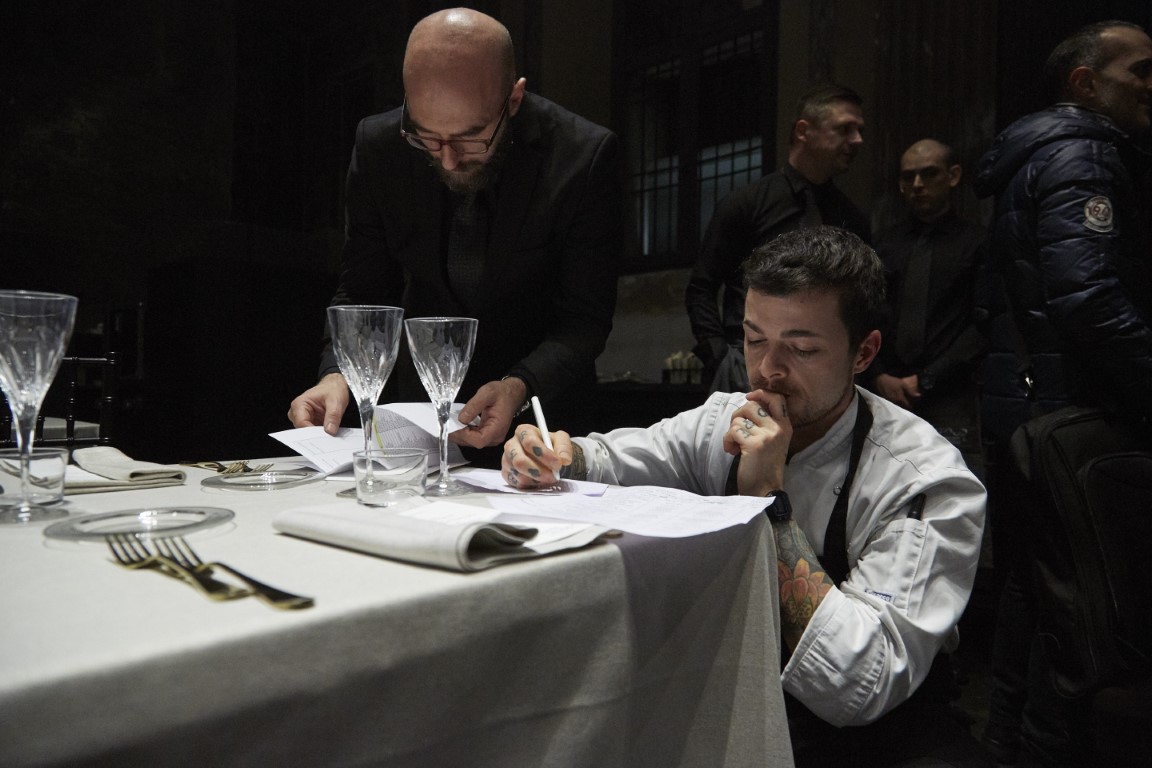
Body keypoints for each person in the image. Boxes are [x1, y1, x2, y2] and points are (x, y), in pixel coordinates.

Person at [506, 226, 989, 767]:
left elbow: (860, 683)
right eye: (755, 339)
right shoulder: (724, 419)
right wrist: (553, 455)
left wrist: (766, 497)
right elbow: (610, 460)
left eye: (801, 348)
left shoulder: (922, 478)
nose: (768, 370)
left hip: (882, 738)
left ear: (863, 353)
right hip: (746, 698)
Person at [287, 7, 621, 465]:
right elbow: (362, 292)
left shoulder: (581, 157)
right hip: (419, 424)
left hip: (541, 422)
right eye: (426, 136)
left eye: (470, 138)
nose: (446, 160)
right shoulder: (380, 145)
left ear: (514, 98)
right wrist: (337, 375)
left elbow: (583, 321)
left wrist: (518, 386)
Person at [973, 20, 1152, 767]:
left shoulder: (1039, 153)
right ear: (1085, 82)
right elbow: (1089, 299)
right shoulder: (1083, 153)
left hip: (1028, 404)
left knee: (1031, 584)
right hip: (1067, 408)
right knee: (1075, 600)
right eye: (1139, 70)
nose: (1150, 85)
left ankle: (1004, 742)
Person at [684, 84, 870, 393]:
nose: (857, 140)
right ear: (803, 131)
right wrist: (719, 356)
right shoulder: (748, 203)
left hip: (825, 371)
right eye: (844, 129)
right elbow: (701, 288)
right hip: (747, 363)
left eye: (860, 130)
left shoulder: (852, 217)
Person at [866, 139, 988, 475]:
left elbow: (984, 323)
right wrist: (878, 375)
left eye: (929, 174)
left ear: (953, 176)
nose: (917, 184)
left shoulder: (977, 242)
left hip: (951, 392)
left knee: (953, 483)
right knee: (881, 480)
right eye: (908, 177)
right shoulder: (883, 244)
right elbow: (865, 313)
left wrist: (927, 379)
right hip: (884, 389)